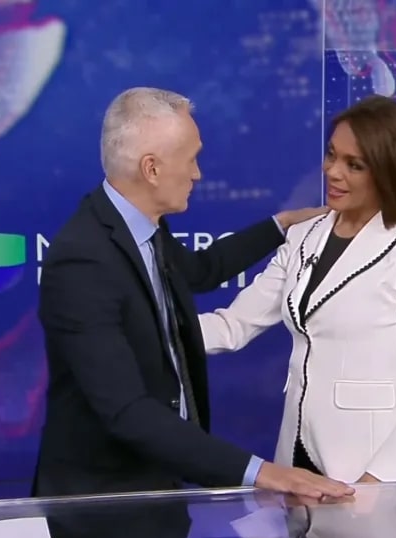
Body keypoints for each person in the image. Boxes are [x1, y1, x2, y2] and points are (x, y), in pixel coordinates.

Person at [32, 87, 355, 500]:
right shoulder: (82, 262)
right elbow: (126, 409)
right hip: (103, 504)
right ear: (151, 169)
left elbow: (201, 272)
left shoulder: (143, 229)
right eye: (191, 159)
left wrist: (282, 225)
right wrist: (261, 473)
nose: (198, 174)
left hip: (158, 484)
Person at [199, 95, 396, 483]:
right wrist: (139, 332)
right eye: (331, 155)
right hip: (297, 459)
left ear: (389, 171)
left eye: (353, 165)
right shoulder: (304, 236)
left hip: (376, 474)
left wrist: (376, 484)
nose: (332, 172)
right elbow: (232, 325)